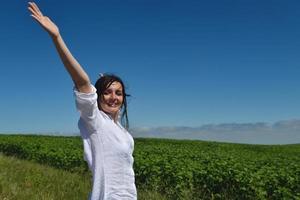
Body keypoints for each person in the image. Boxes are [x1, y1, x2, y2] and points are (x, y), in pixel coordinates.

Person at [28, 2, 137, 200]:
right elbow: (82, 81)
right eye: (107, 92)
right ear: (98, 96)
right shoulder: (95, 121)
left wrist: (105, 83)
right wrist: (56, 37)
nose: (114, 97)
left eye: (118, 93)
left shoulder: (119, 128)